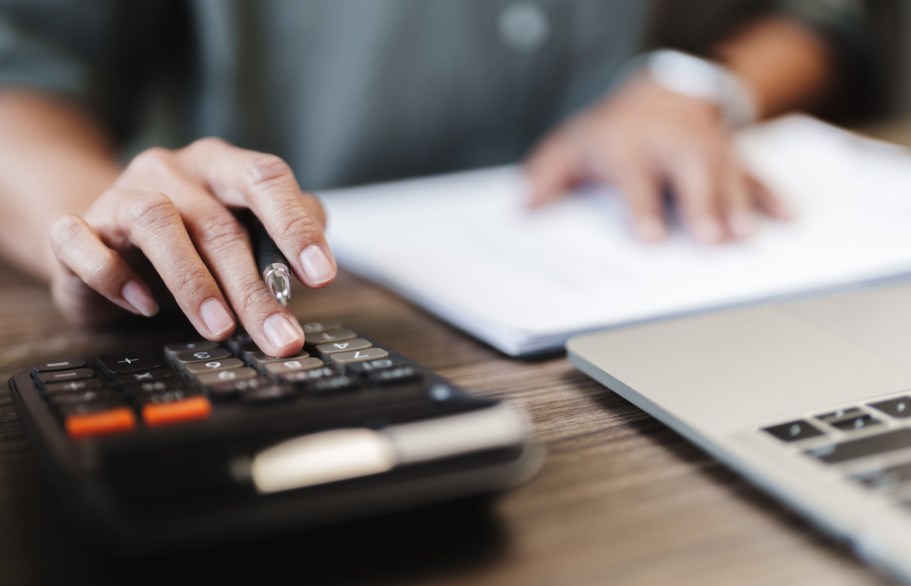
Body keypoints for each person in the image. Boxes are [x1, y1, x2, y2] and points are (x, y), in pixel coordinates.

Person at [0, 1, 874, 357]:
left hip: (698, 316)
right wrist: (104, 228)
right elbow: (22, 73)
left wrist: (696, 86)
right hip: (325, 323)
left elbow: (822, 13)